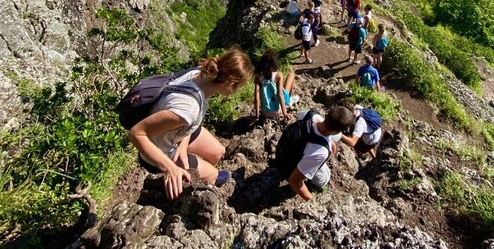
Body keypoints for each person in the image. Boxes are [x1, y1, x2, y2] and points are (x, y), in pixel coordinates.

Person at [128, 47, 254, 200]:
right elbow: (136, 133)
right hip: (159, 151)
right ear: (231, 84)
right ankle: (195, 188)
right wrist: (170, 168)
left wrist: (183, 142)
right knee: (214, 175)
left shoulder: (201, 74)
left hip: (174, 130)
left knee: (218, 151)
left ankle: (199, 170)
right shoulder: (188, 109)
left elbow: (187, 118)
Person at [276, 106, 354, 200]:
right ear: (338, 132)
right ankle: (317, 187)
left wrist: (329, 142)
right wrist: (311, 200)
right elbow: (295, 181)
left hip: (283, 152)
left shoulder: (310, 114)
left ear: (326, 115)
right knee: (324, 177)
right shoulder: (321, 152)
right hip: (289, 168)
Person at [254, 50, 297, 121]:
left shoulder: (258, 79)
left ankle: (288, 100)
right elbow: (280, 95)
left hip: (265, 113)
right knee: (291, 75)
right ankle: (289, 100)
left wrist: (257, 116)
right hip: (278, 111)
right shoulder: (278, 75)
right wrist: (285, 113)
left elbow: (256, 99)